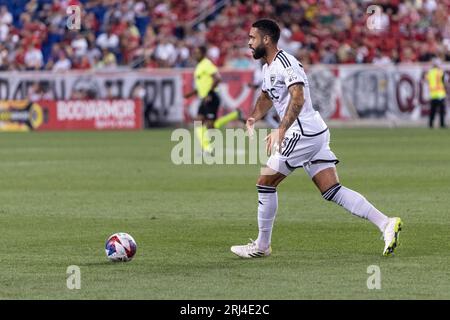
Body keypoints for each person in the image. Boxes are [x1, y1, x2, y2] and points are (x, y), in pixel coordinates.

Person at [231, 19, 402, 258]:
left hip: (301, 132)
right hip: (314, 132)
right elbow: (267, 96)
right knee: (331, 190)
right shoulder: (267, 68)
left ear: (266, 39)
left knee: (265, 182)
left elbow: (298, 97)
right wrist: (252, 118)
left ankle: (261, 246)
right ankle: (386, 223)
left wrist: (281, 129)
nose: (249, 43)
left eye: (252, 38)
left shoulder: (285, 62)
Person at [184, 45, 243, 154]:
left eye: (197, 52)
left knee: (210, 125)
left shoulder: (206, 64)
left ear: (203, 53)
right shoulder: (199, 66)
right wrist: (190, 94)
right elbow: (202, 85)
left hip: (211, 97)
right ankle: (206, 148)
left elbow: (218, 78)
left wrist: (209, 93)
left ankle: (234, 115)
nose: (195, 55)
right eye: (195, 53)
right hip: (205, 98)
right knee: (198, 121)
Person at [425, 59, 447, 128]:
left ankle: (431, 124)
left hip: (433, 94)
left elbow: (426, 80)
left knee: (432, 111)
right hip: (440, 94)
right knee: (442, 111)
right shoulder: (441, 72)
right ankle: (442, 124)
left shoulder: (430, 72)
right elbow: (444, 82)